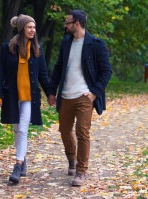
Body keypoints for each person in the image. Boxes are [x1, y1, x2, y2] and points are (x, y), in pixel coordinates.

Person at [48, 10, 112, 186]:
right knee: (64, 130)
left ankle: (81, 171)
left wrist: (94, 92)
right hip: (66, 95)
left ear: (77, 24)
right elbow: (58, 67)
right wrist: (52, 91)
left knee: (82, 132)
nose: (65, 25)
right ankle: (72, 159)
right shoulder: (66, 43)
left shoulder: (96, 44)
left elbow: (107, 71)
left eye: (67, 22)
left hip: (85, 96)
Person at [0, 14, 50, 183]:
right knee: (17, 130)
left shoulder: (37, 50)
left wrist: (51, 94)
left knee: (23, 130)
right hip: (11, 96)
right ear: (22, 29)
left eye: (34, 27)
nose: (33, 30)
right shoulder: (7, 48)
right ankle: (23, 159)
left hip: (29, 97)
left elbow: (44, 76)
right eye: (29, 27)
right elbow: (0, 72)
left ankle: (17, 165)